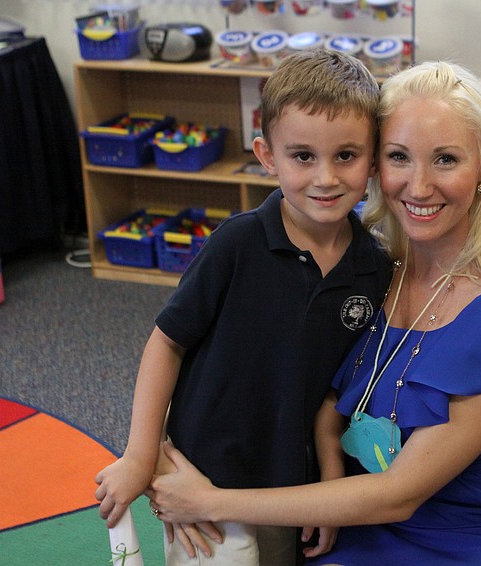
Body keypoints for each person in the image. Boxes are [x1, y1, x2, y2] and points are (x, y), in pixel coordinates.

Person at [147, 60, 481, 565]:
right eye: (400, 157)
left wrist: (209, 501)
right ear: (376, 164)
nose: (419, 187)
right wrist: (327, 447)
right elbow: (313, 381)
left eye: (445, 160)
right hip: (366, 509)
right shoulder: (370, 266)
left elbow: (401, 494)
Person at [94, 48, 391, 565]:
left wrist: (329, 482)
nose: (325, 177)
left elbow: (334, 393)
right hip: (200, 475)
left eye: (346, 155)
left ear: (373, 157)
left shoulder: (374, 268)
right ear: (267, 155)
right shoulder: (236, 243)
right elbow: (166, 343)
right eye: (303, 156)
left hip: (286, 484)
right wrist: (141, 455)